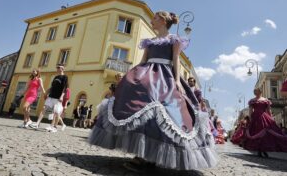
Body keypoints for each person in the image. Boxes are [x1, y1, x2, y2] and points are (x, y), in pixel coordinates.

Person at [89, 11, 217, 171]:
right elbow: (143, 61)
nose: (152, 20)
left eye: (155, 18)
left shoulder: (174, 40)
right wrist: (129, 75)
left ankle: (151, 155)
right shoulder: (149, 42)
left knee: (165, 109)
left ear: (163, 21)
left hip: (165, 76)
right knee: (136, 103)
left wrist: (177, 80)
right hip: (146, 73)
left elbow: (175, 60)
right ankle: (142, 153)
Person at [243, 88, 287, 157]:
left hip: (264, 116)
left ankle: (264, 149)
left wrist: (271, 118)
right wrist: (251, 118)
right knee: (256, 132)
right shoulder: (252, 101)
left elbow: (269, 110)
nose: (256, 93)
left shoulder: (266, 100)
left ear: (260, 92)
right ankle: (259, 149)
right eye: (255, 92)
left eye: (257, 91)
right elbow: (250, 111)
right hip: (255, 117)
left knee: (265, 133)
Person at [30, 64, 68, 132]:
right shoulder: (56, 77)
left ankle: (52, 126)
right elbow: (52, 87)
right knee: (44, 108)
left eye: (58, 67)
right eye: (57, 67)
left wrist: (62, 96)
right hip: (51, 96)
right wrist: (46, 93)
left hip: (57, 97)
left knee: (55, 112)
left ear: (62, 69)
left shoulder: (65, 77)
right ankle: (37, 123)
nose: (57, 69)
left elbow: (65, 88)